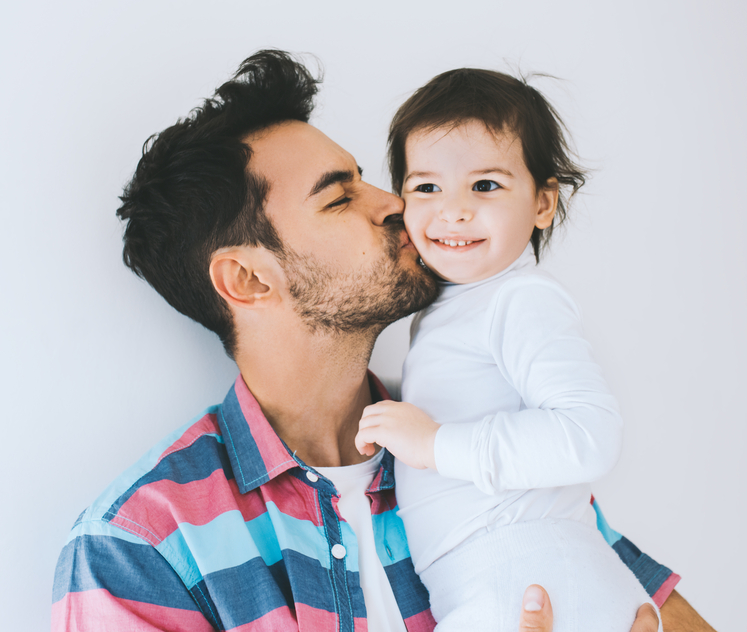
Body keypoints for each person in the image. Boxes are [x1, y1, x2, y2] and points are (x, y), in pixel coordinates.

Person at [51, 50, 712, 631]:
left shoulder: (489, 445)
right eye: (339, 198)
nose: (399, 202)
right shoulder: (139, 547)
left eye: (369, 177)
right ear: (248, 278)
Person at [354, 69, 659, 631]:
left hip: (525, 575)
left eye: (485, 186)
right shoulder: (457, 306)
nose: (453, 210)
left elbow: (589, 435)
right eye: (426, 187)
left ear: (543, 203)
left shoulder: (520, 299)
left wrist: (438, 445)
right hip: (501, 574)